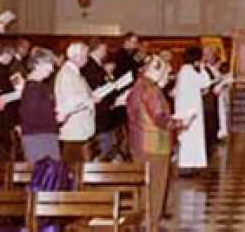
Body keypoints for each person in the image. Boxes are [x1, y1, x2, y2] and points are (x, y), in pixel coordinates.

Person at [127, 56, 179, 231]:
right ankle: (152, 224)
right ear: (157, 71)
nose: (167, 77)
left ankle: (143, 221)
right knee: (156, 187)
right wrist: (179, 122)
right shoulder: (151, 90)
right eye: (165, 73)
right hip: (155, 144)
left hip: (138, 143)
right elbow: (159, 118)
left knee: (144, 186)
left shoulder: (136, 87)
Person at [55, 42, 97, 163]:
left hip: (80, 130)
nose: (86, 58)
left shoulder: (75, 73)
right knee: (73, 167)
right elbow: (70, 101)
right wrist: (90, 100)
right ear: (76, 56)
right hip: (74, 130)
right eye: (84, 55)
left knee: (78, 168)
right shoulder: (67, 74)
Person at [20, 48, 63, 162]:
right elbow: (31, 117)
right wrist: (55, 119)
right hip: (38, 137)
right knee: (44, 175)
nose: (52, 69)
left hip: (44, 135)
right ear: (38, 64)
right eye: (49, 64)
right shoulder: (33, 89)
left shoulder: (39, 87)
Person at [174, 46, 210, 173]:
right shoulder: (187, 71)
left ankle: (194, 162)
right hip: (189, 110)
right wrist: (203, 68)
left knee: (194, 137)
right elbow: (205, 83)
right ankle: (187, 164)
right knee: (190, 137)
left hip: (191, 107)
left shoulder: (187, 70)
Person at [81, 39, 117, 160]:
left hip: (102, 110)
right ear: (98, 49)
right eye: (104, 50)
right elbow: (97, 87)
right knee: (102, 146)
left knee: (106, 143)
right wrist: (108, 78)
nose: (105, 53)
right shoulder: (91, 66)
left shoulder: (97, 65)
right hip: (98, 110)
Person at [203, 45, 230, 141]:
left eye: (210, 54)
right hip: (207, 100)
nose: (209, 56)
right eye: (206, 54)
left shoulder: (216, 67)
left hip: (217, 99)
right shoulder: (202, 68)